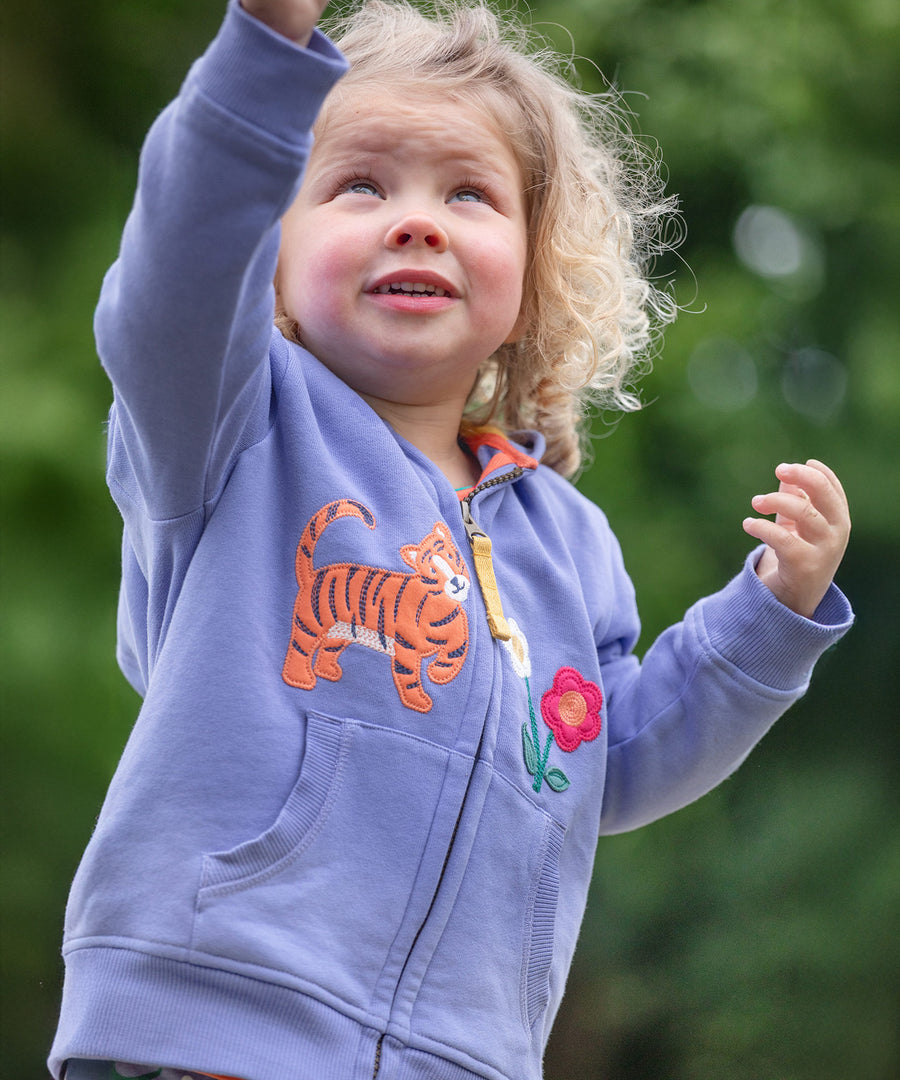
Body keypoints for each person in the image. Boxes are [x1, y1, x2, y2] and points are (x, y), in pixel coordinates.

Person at [50, 1, 853, 1078]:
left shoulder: (568, 542)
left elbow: (607, 756)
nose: (416, 220)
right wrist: (264, 55)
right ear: (270, 257)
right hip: (217, 1027)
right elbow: (173, 286)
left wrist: (770, 616)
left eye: (468, 192)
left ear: (533, 278)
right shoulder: (230, 424)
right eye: (360, 184)